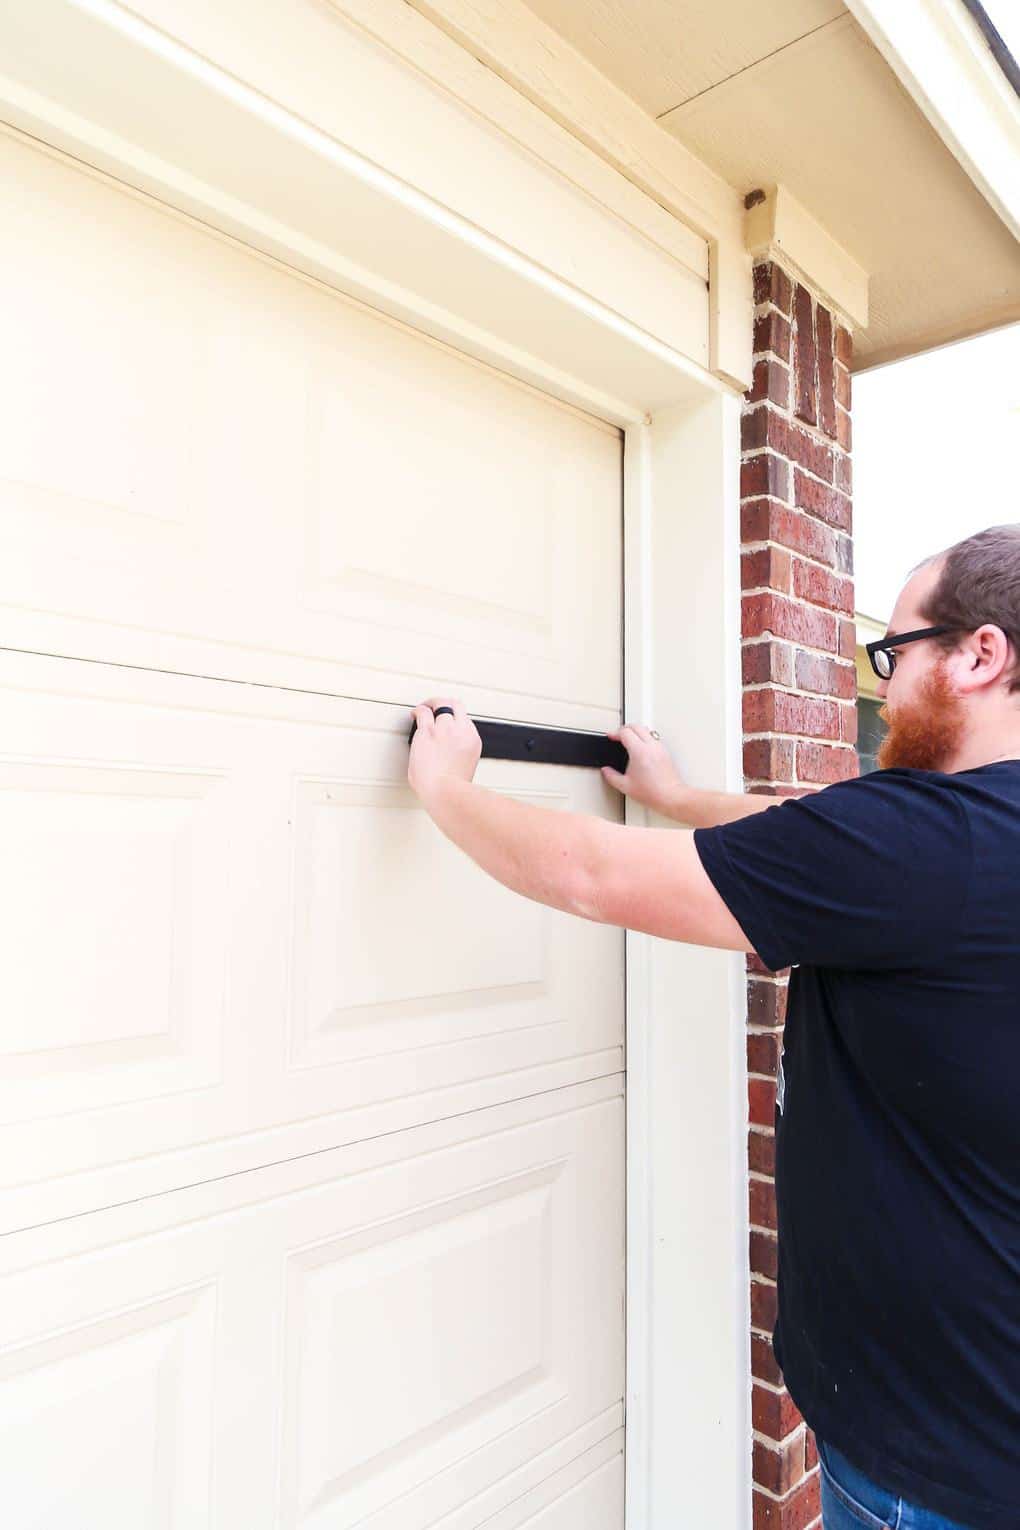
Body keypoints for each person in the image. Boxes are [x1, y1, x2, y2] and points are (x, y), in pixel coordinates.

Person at [407, 523, 1020, 1530]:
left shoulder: (926, 841)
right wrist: (677, 798)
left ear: (979, 654)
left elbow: (591, 873)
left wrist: (447, 788)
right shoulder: (954, 841)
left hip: (934, 1466)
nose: (883, 687)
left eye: (893, 654)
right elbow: (818, 832)